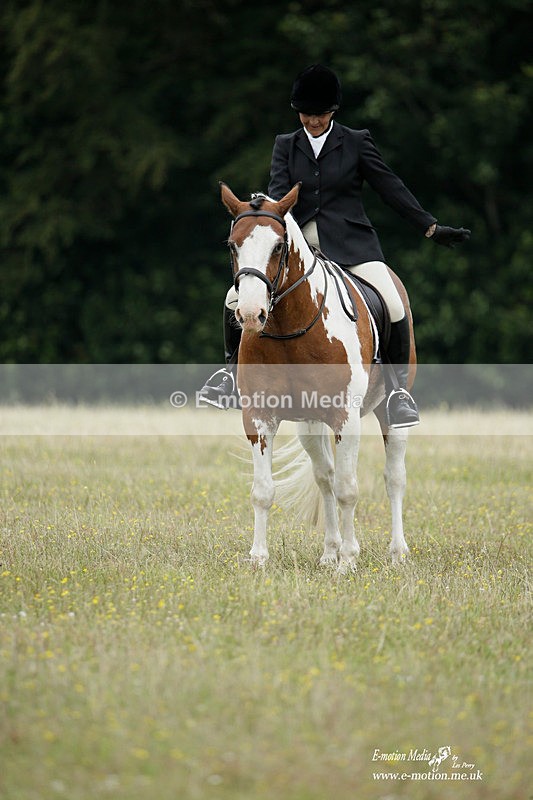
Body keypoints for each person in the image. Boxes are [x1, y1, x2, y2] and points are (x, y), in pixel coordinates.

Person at [199, 64, 470, 426]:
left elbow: (390, 187)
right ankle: (230, 376)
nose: (313, 121)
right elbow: (279, 195)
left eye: (321, 113)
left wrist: (430, 227)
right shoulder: (285, 145)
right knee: (233, 298)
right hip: (298, 244)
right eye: (306, 113)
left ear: (334, 111)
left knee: (392, 302)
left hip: (352, 244)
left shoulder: (356, 141)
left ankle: (397, 392)